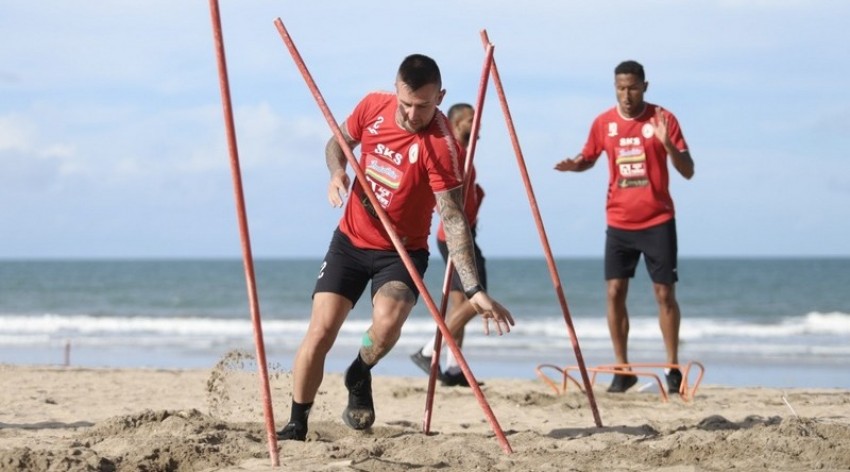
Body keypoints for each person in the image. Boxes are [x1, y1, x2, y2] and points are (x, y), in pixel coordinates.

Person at [277, 54, 515, 441]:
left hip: (402, 252)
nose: (411, 113)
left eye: (422, 105)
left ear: (440, 96)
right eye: (405, 102)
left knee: (386, 328)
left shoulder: (441, 146)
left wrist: (474, 289)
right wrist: (337, 171)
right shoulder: (373, 106)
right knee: (320, 332)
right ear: (396, 89)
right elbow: (336, 144)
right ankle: (296, 423)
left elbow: (453, 221)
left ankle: (358, 372)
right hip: (350, 241)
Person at [553, 60, 695, 394]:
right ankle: (622, 368)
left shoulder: (664, 119)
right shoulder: (604, 123)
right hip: (618, 221)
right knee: (614, 292)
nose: (626, 95)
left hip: (658, 219)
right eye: (620, 88)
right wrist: (575, 166)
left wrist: (668, 145)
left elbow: (688, 170)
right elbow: (588, 157)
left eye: (632, 87)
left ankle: (672, 367)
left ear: (645, 86)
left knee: (664, 293)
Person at [409, 103, 488, 387]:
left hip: (462, 233)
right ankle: (429, 349)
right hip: (455, 236)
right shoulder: (455, 152)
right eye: (470, 120)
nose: (476, 125)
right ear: (456, 123)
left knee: (458, 304)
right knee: (477, 298)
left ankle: (454, 369)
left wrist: (477, 196)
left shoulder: (466, 156)